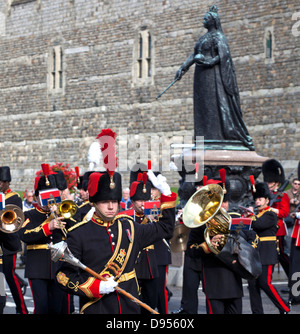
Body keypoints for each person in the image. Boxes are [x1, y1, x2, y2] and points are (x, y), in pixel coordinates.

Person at [54, 129, 176, 314]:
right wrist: (94, 287)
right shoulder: (79, 234)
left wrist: (166, 194)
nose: (111, 207)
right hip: (97, 307)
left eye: (114, 202)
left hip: (129, 307)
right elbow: (63, 276)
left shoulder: (129, 227)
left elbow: (166, 229)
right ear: (94, 203)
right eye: (105, 202)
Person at [174, 5, 254, 150]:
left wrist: (209, 61)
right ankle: (206, 135)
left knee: (214, 104)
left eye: (206, 18)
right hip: (201, 77)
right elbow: (194, 54)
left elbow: (224, 55)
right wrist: (183, 68)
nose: (203, 20)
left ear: (213, 21)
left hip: (213, 76)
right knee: (203, 105)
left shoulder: (218, 37)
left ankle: (218, 135)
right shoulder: (203, 38)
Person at [20, 166, 73, 314]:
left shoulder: (63, 211)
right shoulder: (30, 215)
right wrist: (47, 226)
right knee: (42, 307)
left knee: (57, 308)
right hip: (37, 267)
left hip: (57, 266)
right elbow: (24, 235)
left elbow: (74, 233)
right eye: (44, 196)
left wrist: (61, 213)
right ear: (37, 197)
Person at [247, 182, 290, 314]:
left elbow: (259, 225)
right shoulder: (255, 216)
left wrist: (248, 218)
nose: (257, 202)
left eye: (260, 199)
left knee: (265, 283)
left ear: (266, 200)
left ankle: (284, 307)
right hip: (255, 254)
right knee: (253, 285)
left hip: (266, 253)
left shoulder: (270, 214)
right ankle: (257, 311)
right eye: (256, 199)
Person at [0, 166, 28, 314]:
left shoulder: (14, 197)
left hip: (7, 241)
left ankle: (22, 309)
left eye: (0, 182)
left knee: (10, 275)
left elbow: (15, 221)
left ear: (6, 182)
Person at [262, 159, 290, 277]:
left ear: (277, 183)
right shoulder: (266, 195)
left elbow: (284, 213)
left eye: (270, 182)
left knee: (282, 256)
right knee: (269, 256)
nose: (268, 185)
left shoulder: (283, 196)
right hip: (267, 230)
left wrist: (272, 209)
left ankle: (293, 278)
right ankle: (266, 279)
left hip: (278, 230)